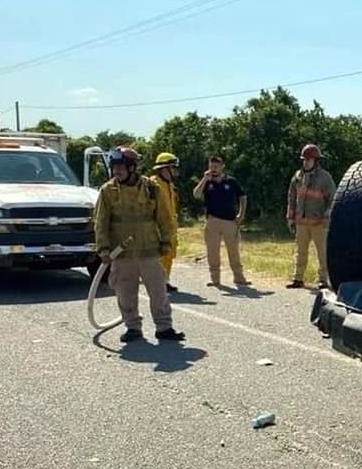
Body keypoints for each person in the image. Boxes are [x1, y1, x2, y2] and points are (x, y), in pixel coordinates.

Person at [94, 146, 185, 343]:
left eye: (121, 167)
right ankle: (133, 327)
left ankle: (164, 327)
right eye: (114, 167)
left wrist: (167, 242)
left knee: (158, 291)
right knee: (125, 291)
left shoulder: (151, 188)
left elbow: (165, 218)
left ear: (133, 167)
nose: (116, 171)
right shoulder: (108, 191)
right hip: (122, 253)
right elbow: (100, 222)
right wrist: (103, 248)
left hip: (149, 251)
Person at [285, 144, 336, 289]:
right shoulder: (297, 176)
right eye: (304, 159)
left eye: (309, 159)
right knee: (300, 252)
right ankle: (298, 278)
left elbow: (333, 198)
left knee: (322, 254)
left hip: (319, 223)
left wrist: (327, 215)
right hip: (301, 222)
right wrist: (290, 217)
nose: (306, 161)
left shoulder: (325, 177)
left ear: (316, 160)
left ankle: (323, 280)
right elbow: (291, 196)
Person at [193, 155, 248, 287]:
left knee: (234, 251)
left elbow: (242, 196)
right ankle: (215, 279)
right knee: (212, 252)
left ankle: (239, 278)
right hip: (212, 221)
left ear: (222, 167)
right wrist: (205, 179)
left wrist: (241, 213)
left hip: (230, 221)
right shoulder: (207, 182)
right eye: (211, 166)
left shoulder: (231, 181)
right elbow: (196, 194)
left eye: (216, 167)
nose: (213, 169)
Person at [149, 152, 181, 292]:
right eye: (172, 168)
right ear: (163, 168)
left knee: (169, 255)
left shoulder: (169, 185)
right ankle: (157, 283)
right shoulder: (153, 184)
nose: (174, 171)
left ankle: (164, 281)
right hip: (158, 228)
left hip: (170, 227)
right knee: (159, 257)